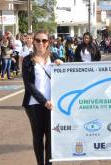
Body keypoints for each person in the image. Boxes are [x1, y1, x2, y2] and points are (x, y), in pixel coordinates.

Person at [22, 30, 63, 165]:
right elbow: (29, 85)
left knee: (51, 138)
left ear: (48, 42)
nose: (41, 43)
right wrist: (44, 102)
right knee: (38, 137)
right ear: (33, 41)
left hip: (53, 104)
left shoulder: (54, 55)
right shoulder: (28, 60)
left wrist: (61, 63)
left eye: (44, 41)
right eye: (38, 40)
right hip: (34, 104)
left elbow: (67, 73)